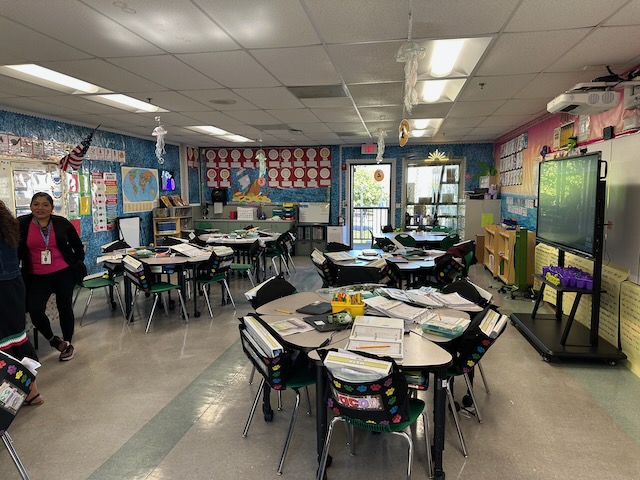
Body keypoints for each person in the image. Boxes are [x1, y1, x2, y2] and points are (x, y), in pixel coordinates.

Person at [18, 192, 86, 361]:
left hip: (63, 272)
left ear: (52, 208)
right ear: (30, 206)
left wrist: (76, 263)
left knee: (65, 307)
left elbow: (78, 246)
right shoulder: (22, 224)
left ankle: (68, 343)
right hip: (37, 275)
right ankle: (54, 340)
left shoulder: (62, 223)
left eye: (45, 204)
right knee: (35, 309)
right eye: (36, 204)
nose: (40, 208)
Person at [0, 200, 43, 405]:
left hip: (2, 289)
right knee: (17, 339)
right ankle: (32, 393)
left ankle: (9, 400)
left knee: (5, 344)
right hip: (14, 286)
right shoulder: (6, 223)